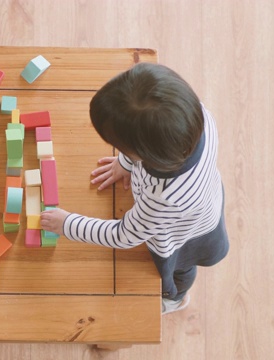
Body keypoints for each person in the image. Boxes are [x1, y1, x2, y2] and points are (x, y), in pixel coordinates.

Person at [40, 63, 229, 315]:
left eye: (123, 149)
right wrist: (125, 163)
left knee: (177, 271)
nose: (121, 151)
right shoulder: (198, 116)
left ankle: (175, 299)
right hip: (204, 196)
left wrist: (67, 224)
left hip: (186, 236)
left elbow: (124, 235)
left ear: (145, 154)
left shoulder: (163, 198)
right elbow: (145, 140)